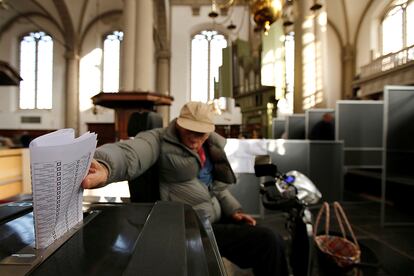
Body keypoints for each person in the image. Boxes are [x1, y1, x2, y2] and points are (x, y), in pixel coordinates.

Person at [82, 101, 288, 276]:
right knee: (268, 241)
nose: (195, 139)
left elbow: (217, 188)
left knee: (272, 242)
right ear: (179, 125)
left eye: (201, 133)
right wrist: (105, 165)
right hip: (191, 226)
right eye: (190, 131)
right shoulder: (158, 139)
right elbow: (131, 153)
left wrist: (235, 211)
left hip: (215, 216)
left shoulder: (212, 146)